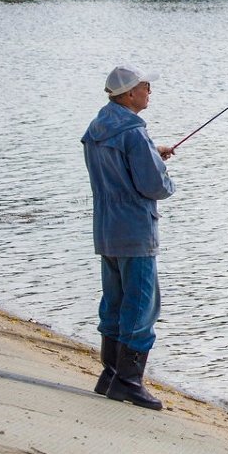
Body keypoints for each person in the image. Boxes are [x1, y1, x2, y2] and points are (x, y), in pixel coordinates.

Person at [81, 64, 175, 410]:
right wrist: (162, 171)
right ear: (130, 94)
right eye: (146, 87)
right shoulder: (134, 133)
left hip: (106, 227)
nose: (150, 92)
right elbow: (153, 186)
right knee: (142, 305)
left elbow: (119, 171)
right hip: (135, 229)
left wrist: (154, 153)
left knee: (115, 301)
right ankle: (128, 380)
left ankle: (109, 374)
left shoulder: (97, 128)